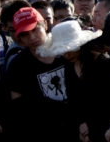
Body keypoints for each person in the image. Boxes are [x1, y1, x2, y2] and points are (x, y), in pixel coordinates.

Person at [8, 7, 76, 141]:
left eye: (35, 29)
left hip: (76, 124)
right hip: (43, 132)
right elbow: (19, 104)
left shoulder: (66, 50)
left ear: (45, 24)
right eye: (25, 34)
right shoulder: (18, 65)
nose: (32, 37)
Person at [37, 20, 110, 142]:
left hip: (105, 127)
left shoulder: (102, 62)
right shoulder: (68, 67)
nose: (66, 55)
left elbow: (109, 99)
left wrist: (92, 124)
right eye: (62, 51)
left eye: (70, 49)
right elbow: (74, 102)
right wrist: (81, 128)